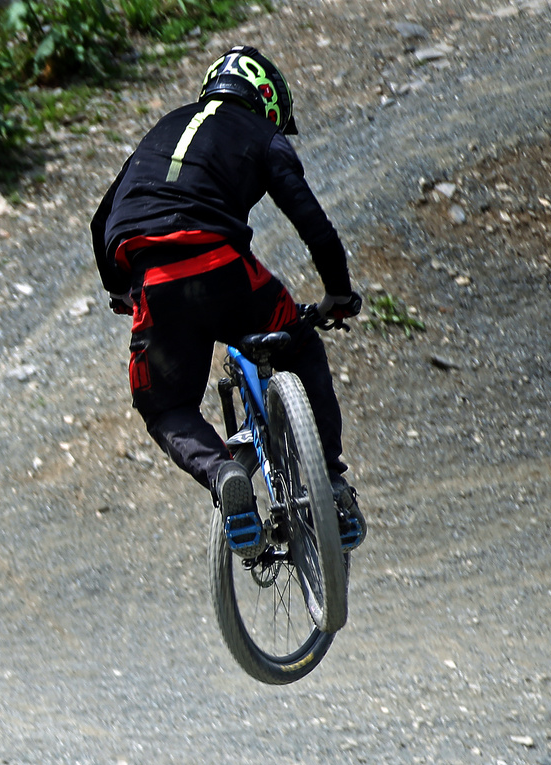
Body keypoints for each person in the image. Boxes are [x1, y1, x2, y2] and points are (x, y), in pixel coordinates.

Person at [90, 45, 365, 555]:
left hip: (154, 281)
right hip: (223, 270)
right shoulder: (264, 135)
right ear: (268, 102)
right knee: (298, 343)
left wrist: (123, 291)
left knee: (166, 405)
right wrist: (338, 294)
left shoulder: (161, 131)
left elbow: (101, 221)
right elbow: (315, 227)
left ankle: (221, 475)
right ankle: (331, 484)